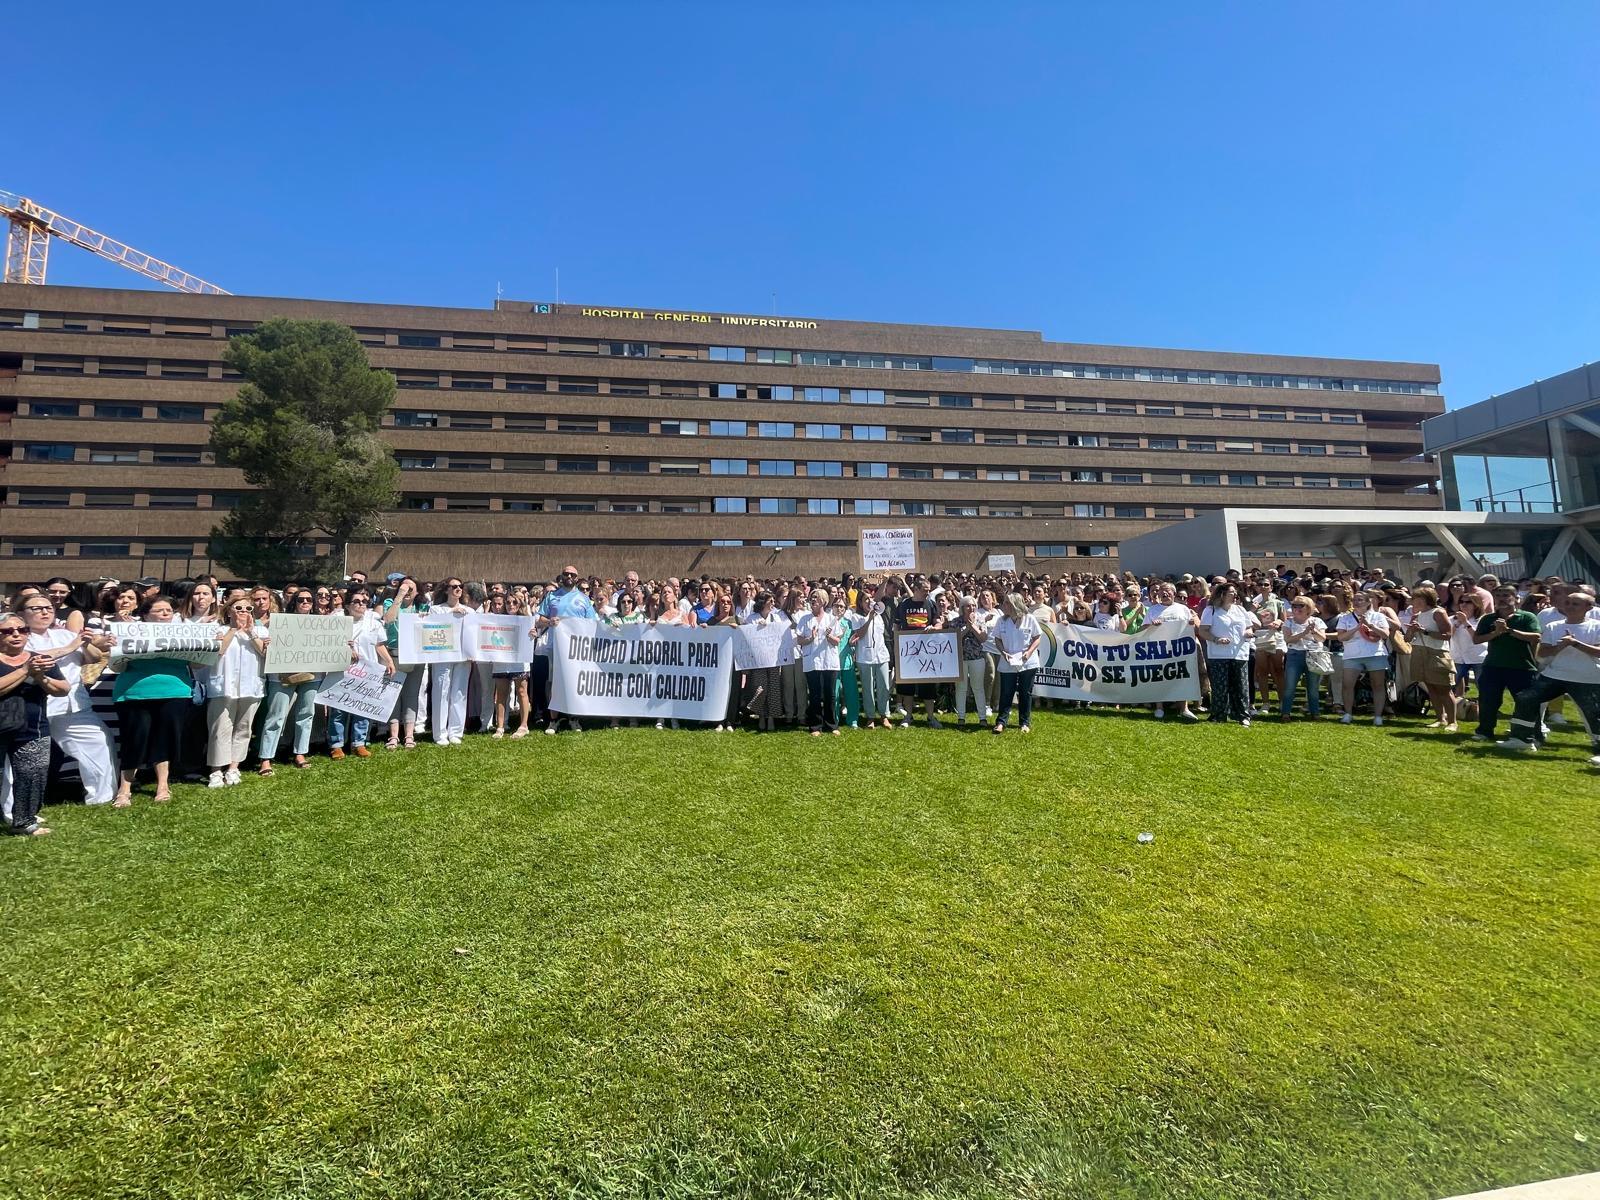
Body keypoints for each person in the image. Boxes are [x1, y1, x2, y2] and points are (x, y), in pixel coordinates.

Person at [19, 590, 119, 805]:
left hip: (74, 703)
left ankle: (101, 797)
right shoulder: (18, 637)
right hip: (36, 704)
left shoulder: (63, 634)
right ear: (22, 612)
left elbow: (90, 658)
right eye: (37, 608)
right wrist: (71, 646)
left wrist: (85, 643)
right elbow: (34, 660)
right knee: (28, 756)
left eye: (48, 608)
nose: (45, 612)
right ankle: (21, 806)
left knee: (100, 741)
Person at [113, 594, 211, 805]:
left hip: (175, 691)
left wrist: (210, 647)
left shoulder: (183, 633)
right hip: (134, 692)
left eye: (169, 611)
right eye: (160, 611)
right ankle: (125, 788)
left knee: (165, 738)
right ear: (146, 615)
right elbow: (117, 666)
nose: (166, 615)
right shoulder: (129, 631)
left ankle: (163, 786)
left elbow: (197, 666)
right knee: (134, 739)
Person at [1498, 589, 1600, 758]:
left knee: (1594, 713)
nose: (1570, 606)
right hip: (1555, 675)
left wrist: (1575, 643)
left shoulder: (1596, 627)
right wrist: (1560, 646)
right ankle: (1522, 739)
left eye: (1575, 604)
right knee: (1526, 698)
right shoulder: (1554, 626)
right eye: (1567, 602)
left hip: (1587, 678)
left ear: (1588, 607)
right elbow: (1542, 653)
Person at [0, 612, 69, 836]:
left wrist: (41, 677)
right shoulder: (27, 664)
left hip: (33, 729)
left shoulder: (39, 659)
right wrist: (24, 671)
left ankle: (24, 822)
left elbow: (63, 690)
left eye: (22, 630)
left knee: (32, 777)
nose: (16, 635)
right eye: (7, 631)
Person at [202, 594, 267, 786]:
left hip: (251, 687)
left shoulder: (260, 630)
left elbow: (265, 652)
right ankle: (216, 770)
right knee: (219, 728)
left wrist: (250, 632)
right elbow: (219, 650)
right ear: (229, 610)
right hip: (223, 687)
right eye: (239, 608)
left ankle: (233, 767)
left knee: (243, 728)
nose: (244, 612)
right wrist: (233, 630)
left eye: (248, 609)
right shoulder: (218, 629)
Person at [328, 587, 396, 759]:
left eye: (365, 601)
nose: (361, 604)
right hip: (342, 670)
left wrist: (389, 661)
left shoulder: (373, 620)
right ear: (348, 604)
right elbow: (326, 641)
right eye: (357, 601)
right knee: (339, 708)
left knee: (362, 709)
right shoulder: (337, 619)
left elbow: (379, 644)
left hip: (366, 671)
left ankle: (359, 743)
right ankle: (336, 744)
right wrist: (343, 649)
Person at [258, 590, 320, 773]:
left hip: (311, 675)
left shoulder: (322, 624)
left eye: (309, 599)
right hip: (282, 675)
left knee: (306, 713)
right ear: (294, 602)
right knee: (276, 715)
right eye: (301, 599)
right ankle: (266, 758)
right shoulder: (279, 622)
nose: (305, 602)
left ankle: (300, 753)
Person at [1470, 586, 1541, 742]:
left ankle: (1532, 735)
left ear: (1516, 598)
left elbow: (1535, 637)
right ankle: (1485, 732)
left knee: (1525, 702)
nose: (1502, 598)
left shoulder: (1527, 617)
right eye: (1498, 595)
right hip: (1493, 666)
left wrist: (1508, 630)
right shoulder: (1488, 619)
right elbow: (1477, 639)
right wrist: (1496, 632)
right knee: (1488, 700)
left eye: (1506, 595)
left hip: (1522, 667)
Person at [537, 565, 597, 735]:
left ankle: (574, 718)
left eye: (573, 574)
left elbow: (592, 622)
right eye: (566, 574)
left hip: (577, 649)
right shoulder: (551, 596)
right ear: (562, 576)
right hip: (556, 646)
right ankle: (553, 720)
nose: (569, 576)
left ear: (577, 578)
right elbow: (539, 617)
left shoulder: (584, 599)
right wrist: (549, 622)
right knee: (554, 682)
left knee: (575, 683)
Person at [1198, 582, 1256, 725]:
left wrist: (1249, 633)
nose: (1235, 595)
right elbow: (1203, 631)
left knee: (1241, 686)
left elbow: (1249, 628)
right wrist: (1216, 639)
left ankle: (1243, 715)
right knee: (1220, 686)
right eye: (1231, 592)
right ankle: (1219, 714)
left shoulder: (1240, 610)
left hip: (1239, 653)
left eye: (1235, 592)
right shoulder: (1211, 610)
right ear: (1222, 594)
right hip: (1219, 654)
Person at [893, 577, 945, 729]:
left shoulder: (930, 604)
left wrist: (935, 628)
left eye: (929, 590)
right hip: (907, 653)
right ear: (915, 589)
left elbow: (938, 623)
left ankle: (930, 717)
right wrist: (897, 646)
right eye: (925, 591)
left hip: (926, 653)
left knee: (928, 686)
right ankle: (908, 716)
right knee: (907, 686)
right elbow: (896, 626)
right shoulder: (904, 605)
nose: (927, 593)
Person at [382, 577, 428, 749]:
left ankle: (409, 735)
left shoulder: (422, 606)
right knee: (393, 695)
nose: (408, 591)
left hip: (415, 655)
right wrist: (399, 596)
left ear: (417, 592)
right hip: (394, 654)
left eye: (411, 589)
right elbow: (388, 619)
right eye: (404, 587)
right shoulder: (390, 602)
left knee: (411, 694)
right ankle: (393, 736)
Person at [429, 577, 475, 745]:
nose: (458, 589)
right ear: (446, 590)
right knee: (441, 692)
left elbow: (475, 633)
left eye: (460, 586)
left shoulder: (469, 611)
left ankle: (455, 731)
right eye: (454, 586)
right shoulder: (436, 610)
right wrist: (451, 613)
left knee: (459, 693)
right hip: (442, 656)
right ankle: (439, 733)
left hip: (463, 657)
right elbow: (431, 628)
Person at [1404, 585, 1457, 730]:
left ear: (1427, 599)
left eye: (1417, 598)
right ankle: (1440, 718)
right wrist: (1411, 630)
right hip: (1419, 652)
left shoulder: (1438, 612)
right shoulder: (1417, 615)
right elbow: (1407, 639)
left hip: (1436, 653)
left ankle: (1453, 721)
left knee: (1444, 689)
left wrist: (1424, 631)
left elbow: (1447, 635)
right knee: (1431, 688)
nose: (1414, 601)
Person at [1336, 591, 1391, 726]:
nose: (1356, 602)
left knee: (1377, 685)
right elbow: (1341, 637)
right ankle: (1348, 713)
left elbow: (1385, 635)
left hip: (1375, 654)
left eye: (1360, 600)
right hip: (1352, 655)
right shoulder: (1345, 618)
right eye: (1355, 600)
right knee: (1348, 685)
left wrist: (1370, 625)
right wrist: (1356, 628)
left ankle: (1378, 716)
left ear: (1368, 603)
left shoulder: (1378, 616)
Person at [991, 593, 1041, 734]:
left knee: (1025, 692)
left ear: (1014, 605)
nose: (1003, 605)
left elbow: (1037, 637)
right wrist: (1003, 652)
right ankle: (1001, 722)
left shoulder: (1029, 619)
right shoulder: (1001, 621)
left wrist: (1029, 652)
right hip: (1008, 661)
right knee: (1006, 692)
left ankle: (1024, 723)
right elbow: (997, 639)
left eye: (1007, 603)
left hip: (1028, 662)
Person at [795, 587, 843, 736]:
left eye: (816, 597)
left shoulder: (831, 619)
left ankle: (831, 725)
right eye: (811, 597)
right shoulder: (804, 619)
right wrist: (811, 638)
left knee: (830, 694)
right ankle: (815, 726)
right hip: (812, 661)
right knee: (815, 694)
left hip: (829, 660)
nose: (812, 599)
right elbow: (799, 640)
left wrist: (829, 637)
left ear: (823, 600)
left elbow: (837, 641)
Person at [849, 586, 892, 729]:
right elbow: (858, 635)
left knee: (884, 686)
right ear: (860, 603)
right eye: (865, 599)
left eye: (870, 599)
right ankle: (870, 716)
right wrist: (869, 619)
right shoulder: (856, 617)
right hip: (864, 657)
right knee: (867, 688)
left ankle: (884, 715)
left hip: (881, 655)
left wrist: (885, 581)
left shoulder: (878, 615)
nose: (869, 601)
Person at [1279, 596, 1327, 721]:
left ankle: (1315, 713)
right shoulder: (1288, 622)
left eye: (1301, 606)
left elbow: (1322, 638)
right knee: (1290, 685)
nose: (1297, 608)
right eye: (1294, 606)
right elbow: (1288, 639)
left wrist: (1313, 630)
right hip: (1294, 655)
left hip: (1313, 654)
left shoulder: (1317, 621)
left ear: (1309, 608)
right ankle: (1286, 713)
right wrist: (1304, 633)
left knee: (1313, 686)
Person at [952, 597, 991, 725]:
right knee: (961, 688)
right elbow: (955, 637)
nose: (971, 608)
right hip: (960, 658)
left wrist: (972, 626)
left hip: (977, 657)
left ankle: (982, 717)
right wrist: (967, 628)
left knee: (978, 687)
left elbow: (983, 637)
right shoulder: (956, 622)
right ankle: (961, 717)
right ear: (962, 607)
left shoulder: (980, 620)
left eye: (973, 605)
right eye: (968, 606)